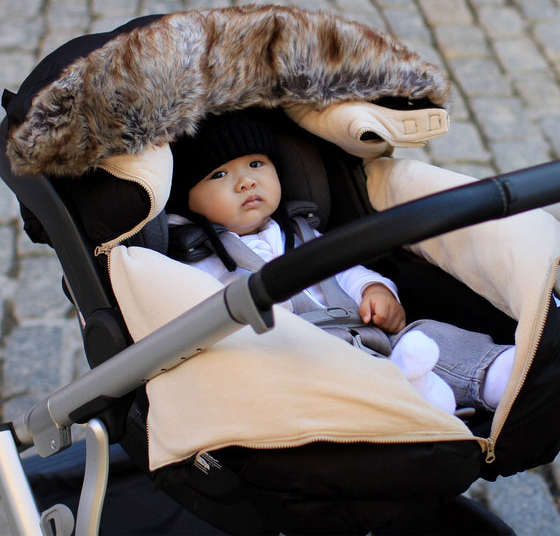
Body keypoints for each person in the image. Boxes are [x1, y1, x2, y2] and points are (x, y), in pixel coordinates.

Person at [166, 111, 515, 415]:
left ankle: (495, 374)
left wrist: (375, 290)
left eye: (256, 164)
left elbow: (345, 270)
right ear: (189, 200)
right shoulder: (202, 260)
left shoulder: (300, 230)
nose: (246, 181)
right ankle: (416, 401)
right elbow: (209, 319)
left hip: (367, 339)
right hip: (302, 362)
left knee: (427, 337)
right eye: (219, 175)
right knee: (353, 384)